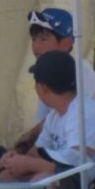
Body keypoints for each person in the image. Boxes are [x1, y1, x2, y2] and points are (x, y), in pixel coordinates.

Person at [0, 49, 95, 183]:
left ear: (42, 88)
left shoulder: (84, 111)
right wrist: (15, 158)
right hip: (64, 178)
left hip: (85, 187)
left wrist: (29, 164)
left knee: (43, 179)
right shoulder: (53, 117)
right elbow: (36, 152)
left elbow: (78, 170)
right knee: (5, 177)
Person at [11, 8, 95, 154]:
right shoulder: (45, 73)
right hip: (56, 148)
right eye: (34, 39)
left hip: (77, 154)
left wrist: (32, 136)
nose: (36, 46)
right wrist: (30, 139)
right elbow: (47, 121)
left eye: (43, 39)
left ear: (66, 43)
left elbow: (80, 117)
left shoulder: (80, 69)